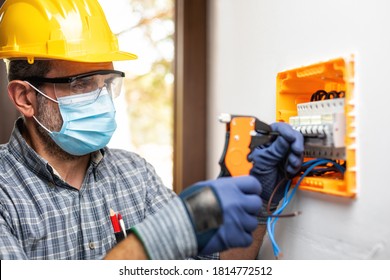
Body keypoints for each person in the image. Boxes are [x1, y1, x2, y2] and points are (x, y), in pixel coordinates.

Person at [0, 0, 304, 260]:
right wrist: (154, 240)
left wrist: (260, 199)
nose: (101, 98)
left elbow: (216, 265)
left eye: (105, 82)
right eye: (81, 84)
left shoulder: (135, 174)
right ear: (26, 97)